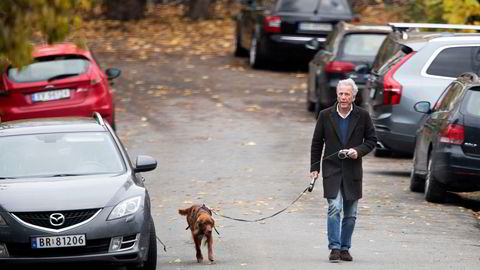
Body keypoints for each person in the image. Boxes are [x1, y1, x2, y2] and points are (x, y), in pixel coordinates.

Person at [310, 78, 377, 262]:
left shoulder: (362, 116)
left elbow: (372, 140)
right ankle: (335, 247)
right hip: (331, 168)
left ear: (354, 96)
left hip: (353, 170)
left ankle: (345, 247)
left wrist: (358, 151)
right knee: (334, 207)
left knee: (351, 213)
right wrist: (314, 168)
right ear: (337, 94)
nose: (343, 97)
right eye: (340, 93)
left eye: (347, 94)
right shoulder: (325, 115)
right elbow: (317, 143)